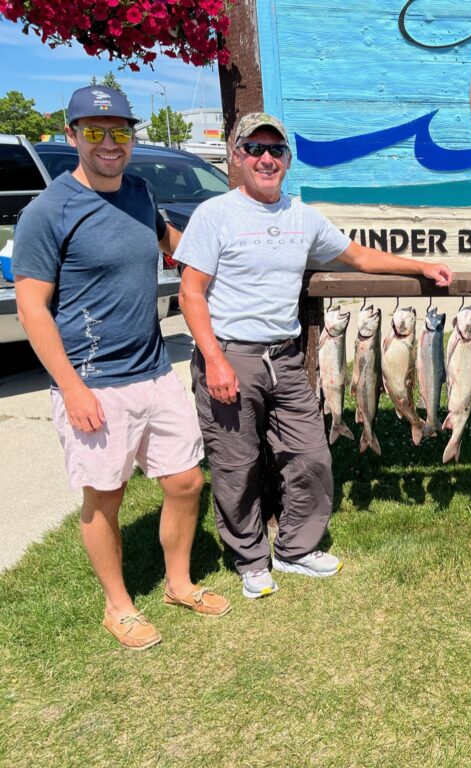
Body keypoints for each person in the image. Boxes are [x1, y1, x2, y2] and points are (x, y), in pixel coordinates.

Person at [176, 112, 452, 599]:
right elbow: (191, 293)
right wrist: (214, 359)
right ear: (237, 157)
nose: (266, 158)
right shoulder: (214, 215)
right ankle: (250, 559)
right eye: (255, 149)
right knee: (236, 465)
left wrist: (420, 266)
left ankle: (297, 549)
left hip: (284, 359)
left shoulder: (301, 216)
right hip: (231, 356)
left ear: (288, 159)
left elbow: (359, 256)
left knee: (311, 454)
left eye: (276, 150)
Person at [13, 85, 230, 651]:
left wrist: (227, 262)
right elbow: (34, 307)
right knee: (104, 496)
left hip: (154, 369)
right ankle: (119, 606)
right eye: (93, 131)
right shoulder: (48, 212)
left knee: (184, 481)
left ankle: (179, 583)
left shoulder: (137, 191)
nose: (109, 142)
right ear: (71, 136)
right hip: (92, 381)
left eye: (119, 131)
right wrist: (71, 387)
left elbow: (172, 244)